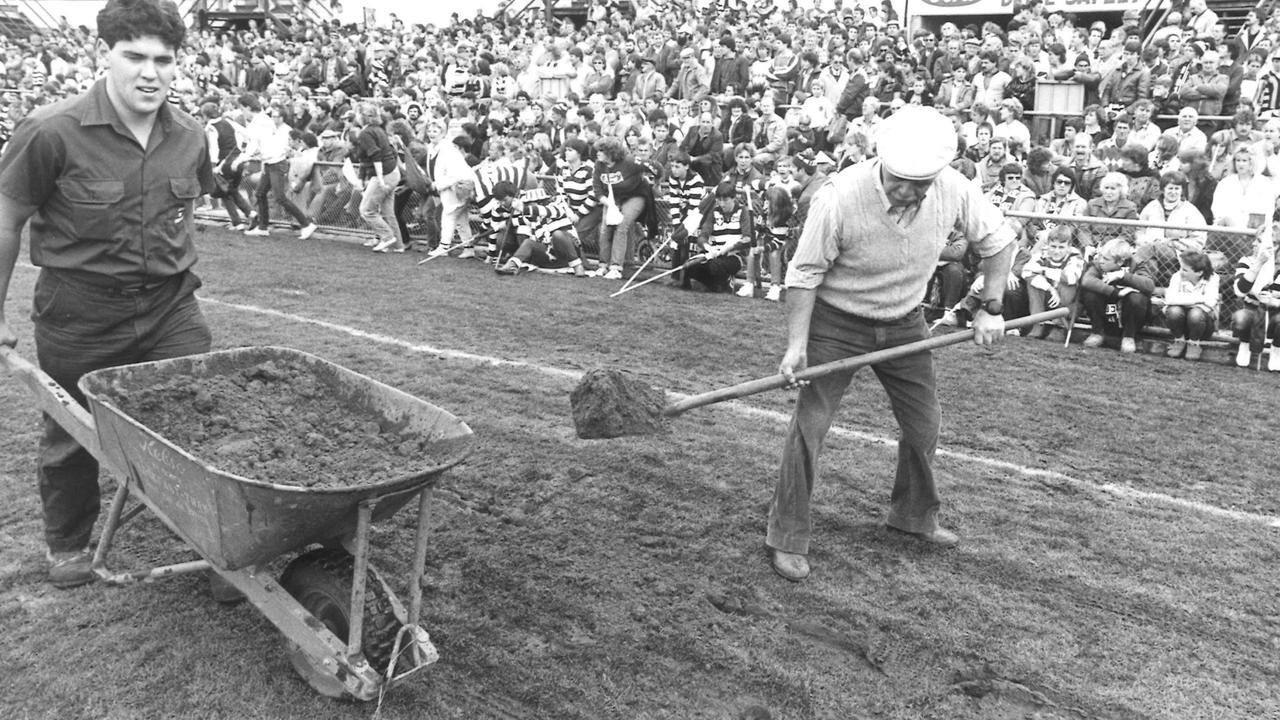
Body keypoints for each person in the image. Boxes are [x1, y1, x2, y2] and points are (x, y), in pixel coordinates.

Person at [0, 0, 216, 590]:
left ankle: (222, 543)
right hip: (81, 312)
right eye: (134, 56)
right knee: (74, 430)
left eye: (164, 59)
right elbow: (7, 219)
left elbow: (184, 209)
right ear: (105, 56)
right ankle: (68, 543)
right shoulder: (50, 130)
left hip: (171, 306)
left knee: (204, 415)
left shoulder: (191, 135)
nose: (151, 72)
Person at [765, 106, 1014, 582]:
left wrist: (992, 306)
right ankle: (788, 536)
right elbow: (804, 274)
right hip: (836, 322)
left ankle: (913, 516)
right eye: (902, 182)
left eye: (922, 183)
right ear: (884, 165)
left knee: (924, 424)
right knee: (809, 427)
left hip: (905, 321)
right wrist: (797, 346)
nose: (912, 192)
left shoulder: (953, 188)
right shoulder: (839, 197)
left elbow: (999, 242)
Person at [1078, 237, 1156, 354]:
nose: (1101, 261)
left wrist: (1123, 275)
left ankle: (1129, 337)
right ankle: (1097, 333)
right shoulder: (1099, 264)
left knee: (1138, 298)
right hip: (1108, 304)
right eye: (1101, 256)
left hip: (1128, 309)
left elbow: (1149, 286)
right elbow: (1087, 280)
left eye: (1106, 259)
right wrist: (1115, 292)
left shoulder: (1138, 263)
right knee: (1089, 293)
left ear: (1120, 262)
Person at [349, 101, 404, 253]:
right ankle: (398, 245)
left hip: (384, 174)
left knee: (366, 210)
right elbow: (366, 160)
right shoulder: (378, 129)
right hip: (392, 172)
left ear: (364, 117)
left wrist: (380, 179)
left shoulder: (366, 133)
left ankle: (387, 237)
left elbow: (375, 155)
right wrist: (361, 179)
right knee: (387, 212)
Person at [1229, 233, 1280, 370]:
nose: (1254, 244)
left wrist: (1274, 302)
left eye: (1260, 241)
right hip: (1252, 309)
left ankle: (1276, 350)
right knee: (1241, 318)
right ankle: (1244, 344)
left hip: (1276, 313)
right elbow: (1240, 290)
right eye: (1257, 240)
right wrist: (1259, 263)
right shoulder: (1246, 261)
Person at [1157, 250, 1219, 361]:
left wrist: (1181, 298)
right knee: (1174, 311)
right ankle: (1179, 340)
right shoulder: (1177, 277)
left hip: (1201, 324)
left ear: (1199, 272)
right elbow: (1170, 299)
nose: (1181, 272)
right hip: (1180, 321)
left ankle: (1194, 343)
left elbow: (1210, 301)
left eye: (1185, 270)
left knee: (1195, 313)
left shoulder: (1213, 278)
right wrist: (1199, 299)